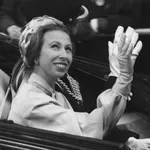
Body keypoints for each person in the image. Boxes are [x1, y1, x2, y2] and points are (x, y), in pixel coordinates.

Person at [6, 15, 142, 140]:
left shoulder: (53, 93)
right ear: (34, 55)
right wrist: (122, 77)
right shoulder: (32, 102)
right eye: (55, 46)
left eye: (68, 49)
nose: (64, 55)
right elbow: (92, 129)